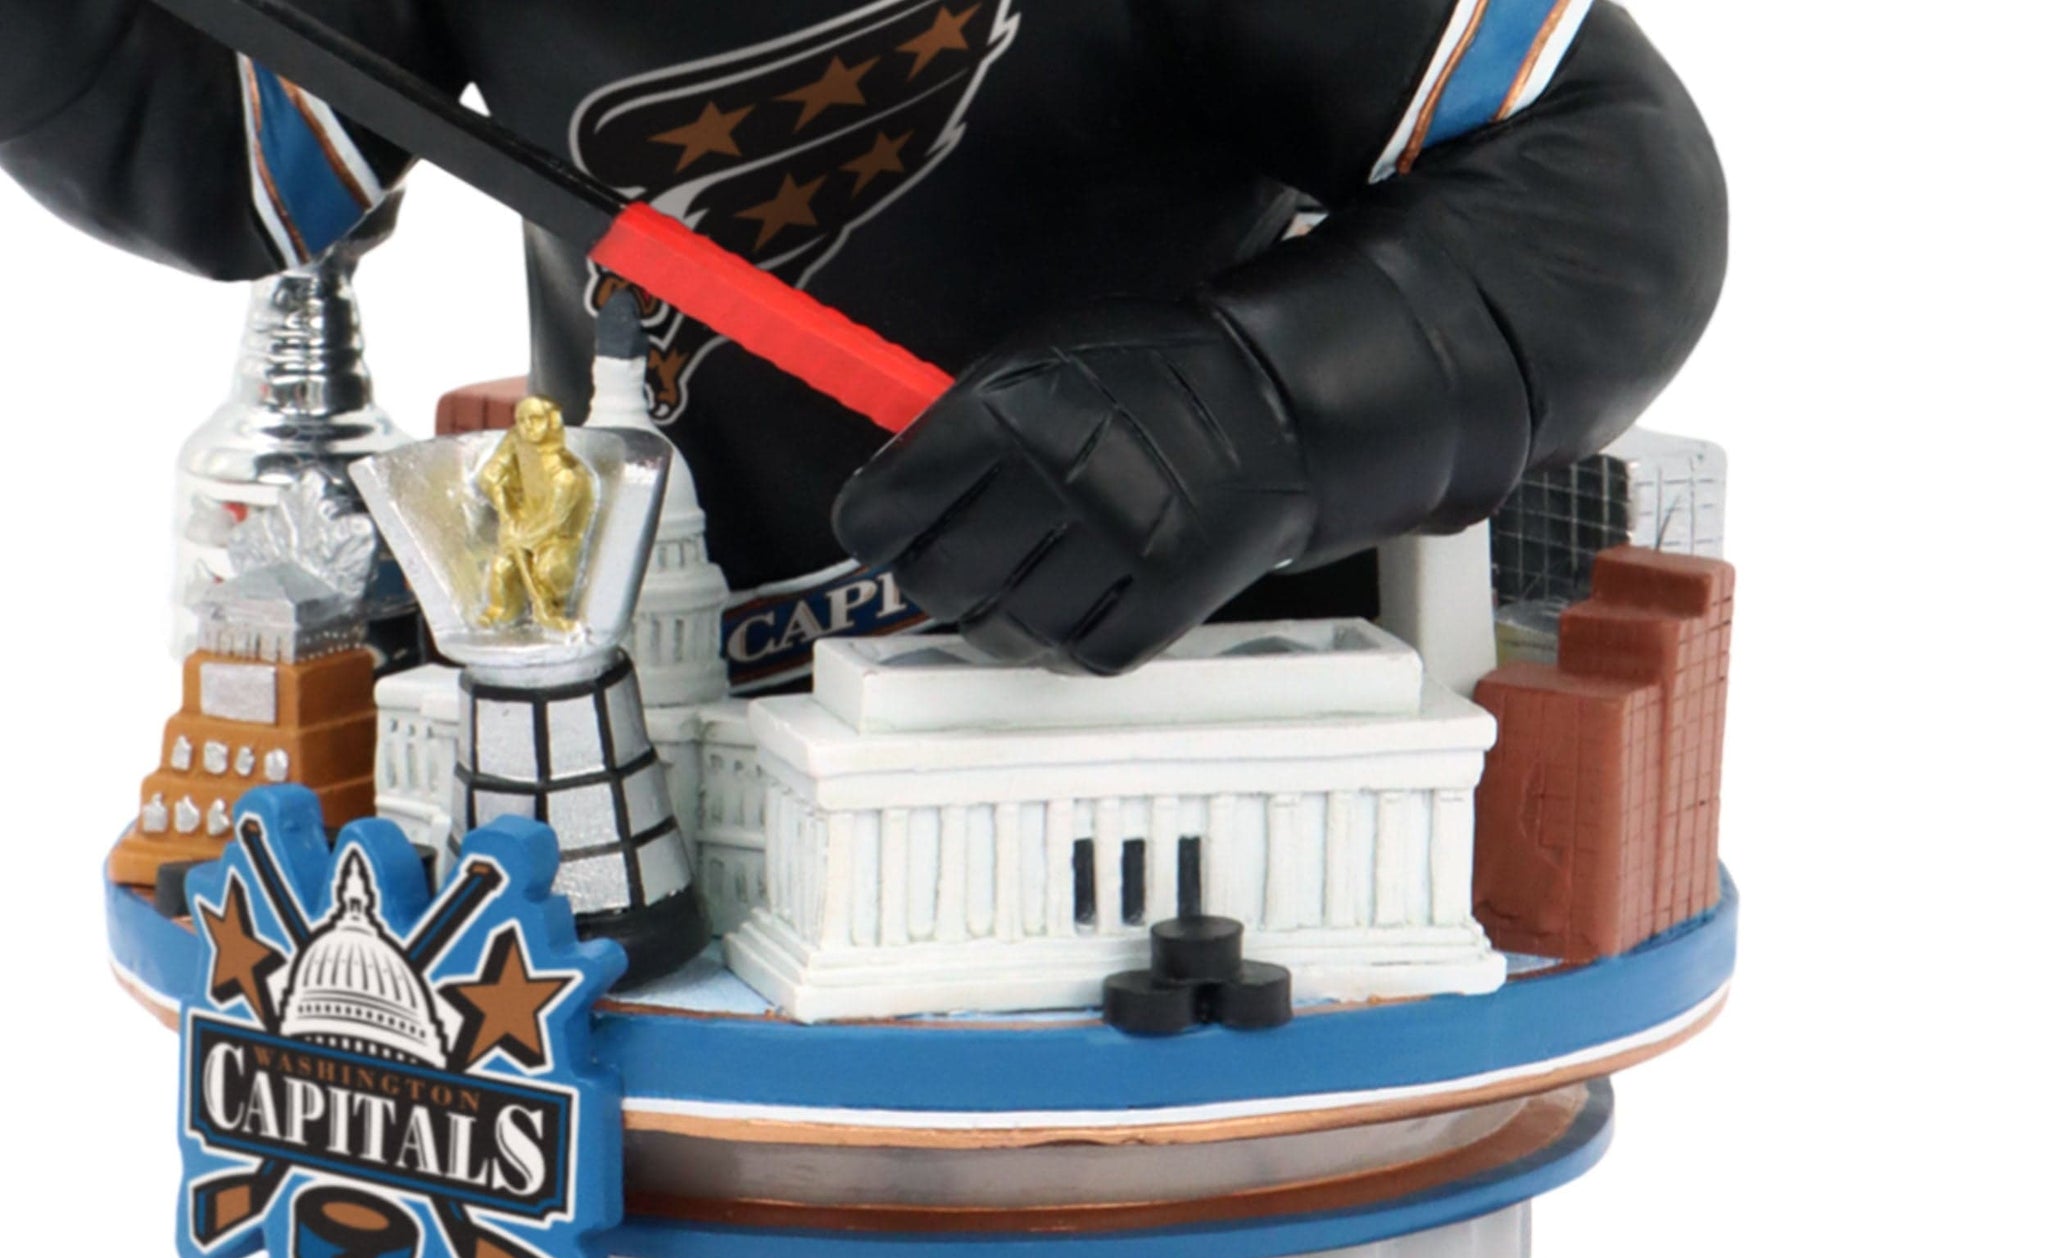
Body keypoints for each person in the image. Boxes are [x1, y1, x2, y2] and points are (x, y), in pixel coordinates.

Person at [0, 0, 1725, 681]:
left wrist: (1260, 409)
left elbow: (1615, 184)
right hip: (655, 721)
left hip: (1147, 732)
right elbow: (233, 161)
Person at [476, 396, 595, 632]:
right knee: (501, 569)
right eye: (521, 420)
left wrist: (521, 538)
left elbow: (554, 522)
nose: (527, 426)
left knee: (548, 570)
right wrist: (495, 483)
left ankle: (552, 608)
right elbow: (493, 469)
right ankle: (501, 613)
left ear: (552, 421)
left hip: (559, 537)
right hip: (524, 521)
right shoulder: (516, 439)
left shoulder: (566, 473)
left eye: (535, 419)